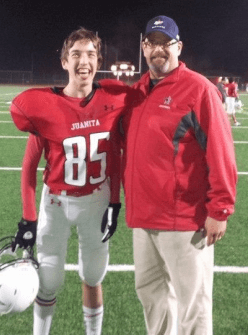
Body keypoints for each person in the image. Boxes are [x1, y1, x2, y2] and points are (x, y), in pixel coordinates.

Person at [122, 15, 237, 335]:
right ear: (143, 48)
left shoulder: (199, 89)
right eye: (151, 43)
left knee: (193, 308)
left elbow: (221, 152)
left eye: (165, 43)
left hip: (184, 218)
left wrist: (220, 209)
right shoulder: (139, 91)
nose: (158, 50)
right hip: (143, 218)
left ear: (179, 47)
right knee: (152, 297)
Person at [10, 27, 129, 335]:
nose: (83, 61)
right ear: (64, 61)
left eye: (90, 54)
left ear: (98, 60)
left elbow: (115, 158)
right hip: (56, 202)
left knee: (92, 275)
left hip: (97, 198)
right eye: (76, 54)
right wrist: (28, 219)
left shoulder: (113, 98)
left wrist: (114, 201)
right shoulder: (45, 105)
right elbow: (28, 167)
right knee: (49, 280)